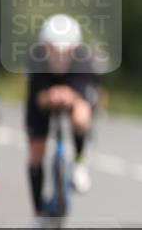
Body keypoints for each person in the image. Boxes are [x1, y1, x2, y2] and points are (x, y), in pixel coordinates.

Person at [25, 14, 96, 214]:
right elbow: (37, 97)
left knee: (81, 117)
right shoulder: (35, 58)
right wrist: (49, 97)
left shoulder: (83, 59)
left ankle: (80, 162)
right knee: (35, 154)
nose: (59, 56)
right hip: (42, 96)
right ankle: (38, 212)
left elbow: (83, 96)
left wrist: (70, 98)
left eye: (65, 51)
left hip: (72, 93)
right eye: (54, 50)